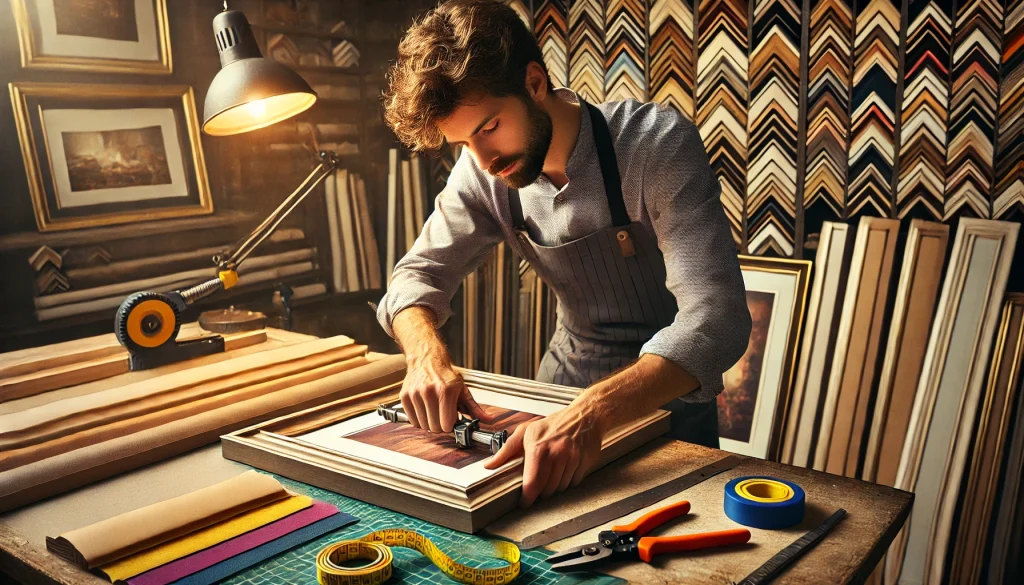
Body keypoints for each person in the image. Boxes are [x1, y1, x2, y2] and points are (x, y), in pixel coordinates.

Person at [374, 0, 750, 508]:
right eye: (462, 143)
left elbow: (717, 321)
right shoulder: (483, 174)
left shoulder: (655, 146)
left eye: (488, 128)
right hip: (559, 394)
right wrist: (423, 356)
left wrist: (591, 414)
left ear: (534, 83)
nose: (483, 161)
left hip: (668, 404)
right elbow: (416, 275)